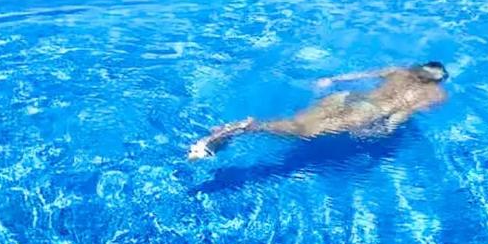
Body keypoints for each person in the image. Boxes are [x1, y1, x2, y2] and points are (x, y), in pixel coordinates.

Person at [187, 61, 450, 160]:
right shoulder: (435, 94)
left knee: (298, 123)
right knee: (302, 132)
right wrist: (385, 131)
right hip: (367, 111)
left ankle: (237, 131)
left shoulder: (400, 69)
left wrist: (332, 80)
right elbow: (403, 112)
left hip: (345, 96)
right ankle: (250, 127)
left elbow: (362, 74)